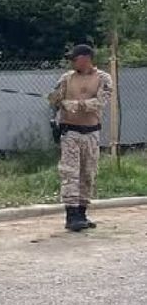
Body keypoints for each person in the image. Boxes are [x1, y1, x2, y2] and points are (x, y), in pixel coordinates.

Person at [48, 44, 112, 232]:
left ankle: (82, 213)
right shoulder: (67, 78)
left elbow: (101, 101)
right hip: (71, 133)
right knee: (70, 172)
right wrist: (55, 104)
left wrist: (76, 104)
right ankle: (71, 215)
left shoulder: (103, 78)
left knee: (88, 173)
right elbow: (54, 99)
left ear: (85, 58)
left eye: (74, 58)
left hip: (91, 132)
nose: (72, 62)